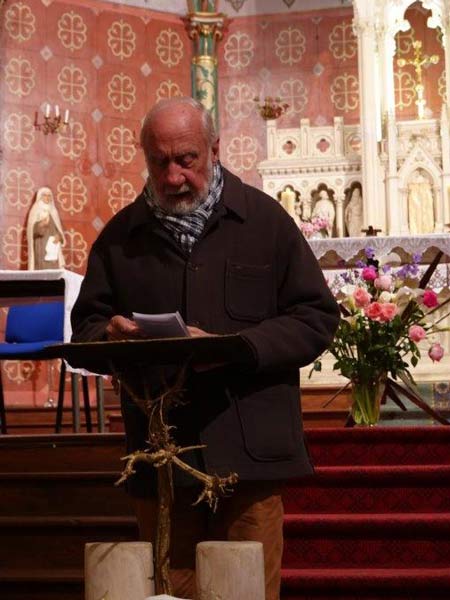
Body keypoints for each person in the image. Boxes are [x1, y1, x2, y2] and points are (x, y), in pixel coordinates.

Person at [71, 97, 340, 600]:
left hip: (250, 458)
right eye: (159, 162)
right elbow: (84, 330)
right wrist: (110, 337)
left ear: (214, 149)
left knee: (245, 592)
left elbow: (316, 318)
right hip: (162, 460)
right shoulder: (121, 238)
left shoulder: (265, 222)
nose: (173, 176)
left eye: (186, 159)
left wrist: (236, 348)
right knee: (171, 593)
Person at [26, 186, 65, 270]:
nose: (47, 197)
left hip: (53, 249)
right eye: (45, 195)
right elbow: (31, 231)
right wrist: (40, 225)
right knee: (42, 270)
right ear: (40, 197)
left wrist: (59, 236)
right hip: (41, 246)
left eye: (49, 195)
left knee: (54, 272)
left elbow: (58, 229)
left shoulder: (53, 211)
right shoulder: (35, 210)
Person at [407, 169, 435, 234]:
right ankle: (416, 230)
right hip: (415, 196)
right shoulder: (413, 186)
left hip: (425, 197)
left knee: (427, 211)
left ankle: (427, 229)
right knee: (415, 211)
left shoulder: (426, 186)